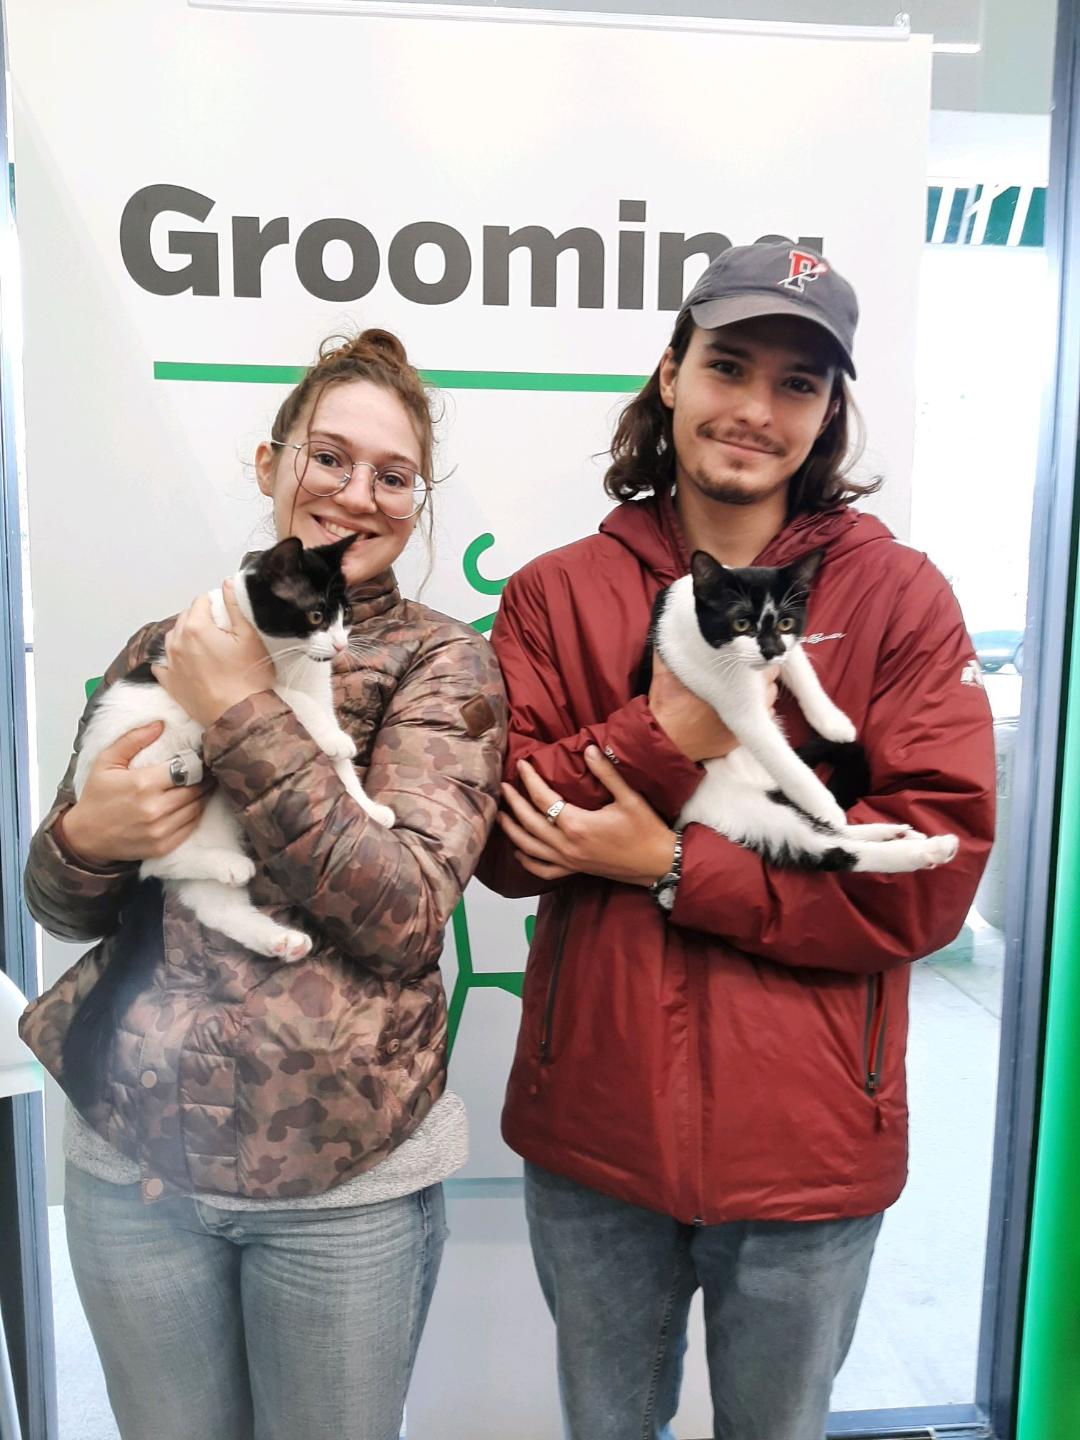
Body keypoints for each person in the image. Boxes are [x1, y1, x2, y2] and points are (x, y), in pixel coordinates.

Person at [479, 243, 996, 1440]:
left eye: (799, 385)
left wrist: (664, 863)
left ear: (828, 416)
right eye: (730, 366)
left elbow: (927, 879)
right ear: (670, 375)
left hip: (808, 1150)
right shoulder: (558, 594)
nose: (757, 411)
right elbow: (505, 840)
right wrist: (668, 729)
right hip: (596, 1140)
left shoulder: (900, 599)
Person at [20, 329, 507, 1440]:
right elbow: (64, 904)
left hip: (342, 1194)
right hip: (133, 1162)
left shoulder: (446, 665)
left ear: (418, 504)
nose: (355, 494)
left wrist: (243, 709)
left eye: (394, 476)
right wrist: (89, 838)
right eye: (328, 457)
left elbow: (403, 911)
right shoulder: (170, 639)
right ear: (269, 463)